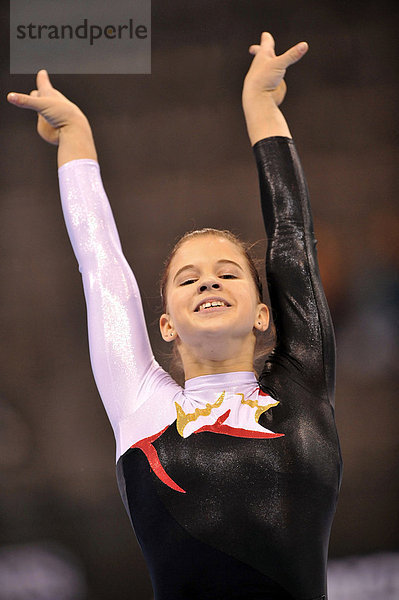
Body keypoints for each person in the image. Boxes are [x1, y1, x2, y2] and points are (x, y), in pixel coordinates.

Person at [7, 32, 342, 600]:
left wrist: (261, 106)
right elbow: (101, 266)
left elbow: (292, 241)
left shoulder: (302, 381)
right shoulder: (142, 400)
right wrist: (75, 135)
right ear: (165, 324)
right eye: (187, 279)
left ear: (265, 313)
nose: (208, 280)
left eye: (228, 272)